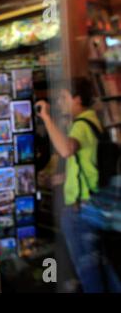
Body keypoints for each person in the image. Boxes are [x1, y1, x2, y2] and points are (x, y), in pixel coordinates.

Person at [36, 77, 120, 293]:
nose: (61, 102)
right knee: (103, 269)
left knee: (91, 276)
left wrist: (46, 117)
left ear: (77, 99)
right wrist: (59, 180)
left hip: (81, 211)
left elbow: (66, 149)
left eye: (64, 97)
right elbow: (86, 165)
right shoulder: (94, 120)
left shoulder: (81, 124)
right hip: (94, 205)